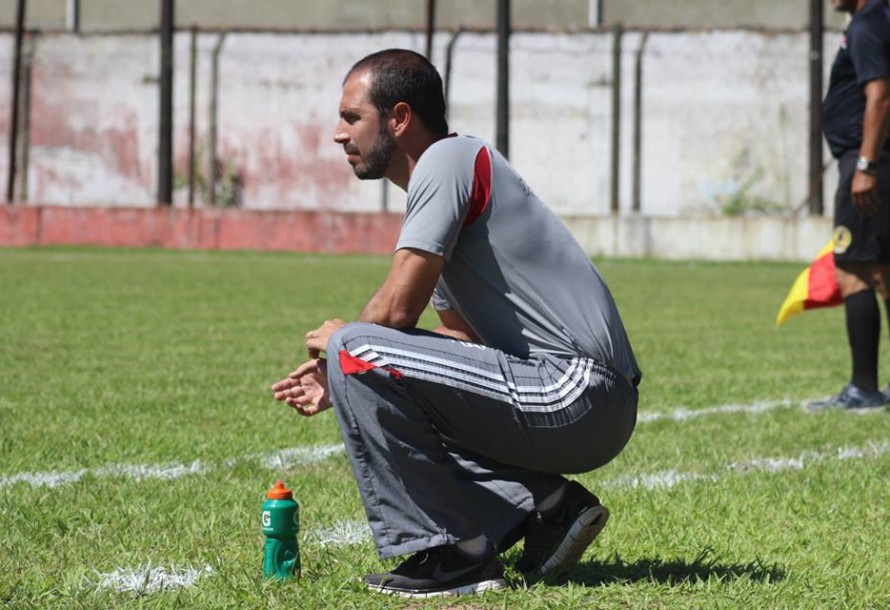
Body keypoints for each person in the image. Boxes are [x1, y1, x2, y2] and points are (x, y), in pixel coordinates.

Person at [272, 48, 641, 597]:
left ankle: (457, 555)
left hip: (576, 389)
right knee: (376, 369)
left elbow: (395, 312)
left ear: (399, 118)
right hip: (583, 401)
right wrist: (351, 377)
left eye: (352, 117)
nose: (338, 134)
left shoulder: (446, 161)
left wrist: (341, 355)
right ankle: (548, 504)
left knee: (357, 348)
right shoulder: (446, 192)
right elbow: (461, 342)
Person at [807, 0, 890, 411]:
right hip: (873, 161)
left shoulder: (867, 23)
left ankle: (863, 388)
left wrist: (865, 164)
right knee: (882, 271)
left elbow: (879, 96)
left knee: (853, 268)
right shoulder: (876, 19)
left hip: (865, 165)